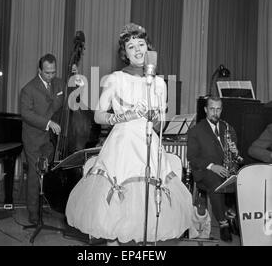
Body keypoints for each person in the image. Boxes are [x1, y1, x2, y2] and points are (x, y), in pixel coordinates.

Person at [65, 23, 198, 245]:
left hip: (148, 144)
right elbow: (98, 115)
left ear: (148, 48)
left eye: (141, 44)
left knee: (147, 213)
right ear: (124, 53)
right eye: (131, 46)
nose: (137, 50)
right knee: (116, 215)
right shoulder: (116, 79)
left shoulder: (158, 83)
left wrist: (155, 118)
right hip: (123, 144)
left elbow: (159, 124)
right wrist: (122, 117)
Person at [187, 96, 240, 242]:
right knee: (216, 182)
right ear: (205, 110)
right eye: (212, 109)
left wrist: (235, 152)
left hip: (226, 169)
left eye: (218, 109)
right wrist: (212, 166)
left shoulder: (228, 128)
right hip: (205, 171)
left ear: (221, 110)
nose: (215, 113)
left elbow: (234, 154)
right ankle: (223, 224)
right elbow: (192, 157)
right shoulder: (195, 131)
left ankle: (234, 217)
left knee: (242, 180)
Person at [20, 53, 64, 224]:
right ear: (40, 70)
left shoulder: (59, 83)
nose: (51, 76)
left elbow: (70, 98)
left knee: (47, 172)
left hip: (52, 138)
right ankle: (32, 211)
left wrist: (75, 77)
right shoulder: (28, 89)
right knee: (34, 173)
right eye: (47, 73)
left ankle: (45, 204)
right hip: (34, 137)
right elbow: (26, 114)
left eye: (53, 72)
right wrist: (48, 123)